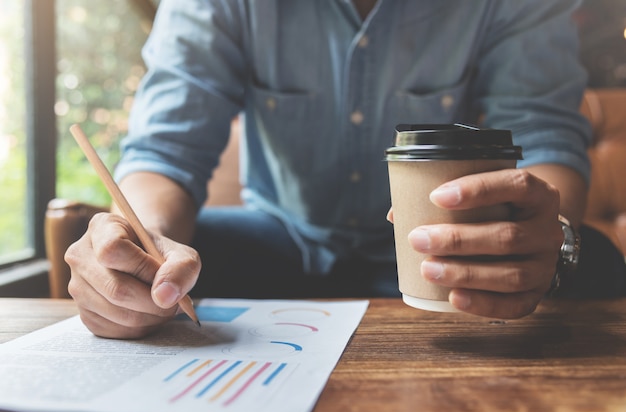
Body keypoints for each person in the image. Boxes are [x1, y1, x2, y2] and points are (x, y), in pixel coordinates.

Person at [65, 0, 625, 339]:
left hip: (430, 255)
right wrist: (140, 247)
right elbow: (165, 153)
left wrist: (542, 236)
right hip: (279, 240)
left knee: (599, 261)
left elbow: (543, 135)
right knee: (168, 263)